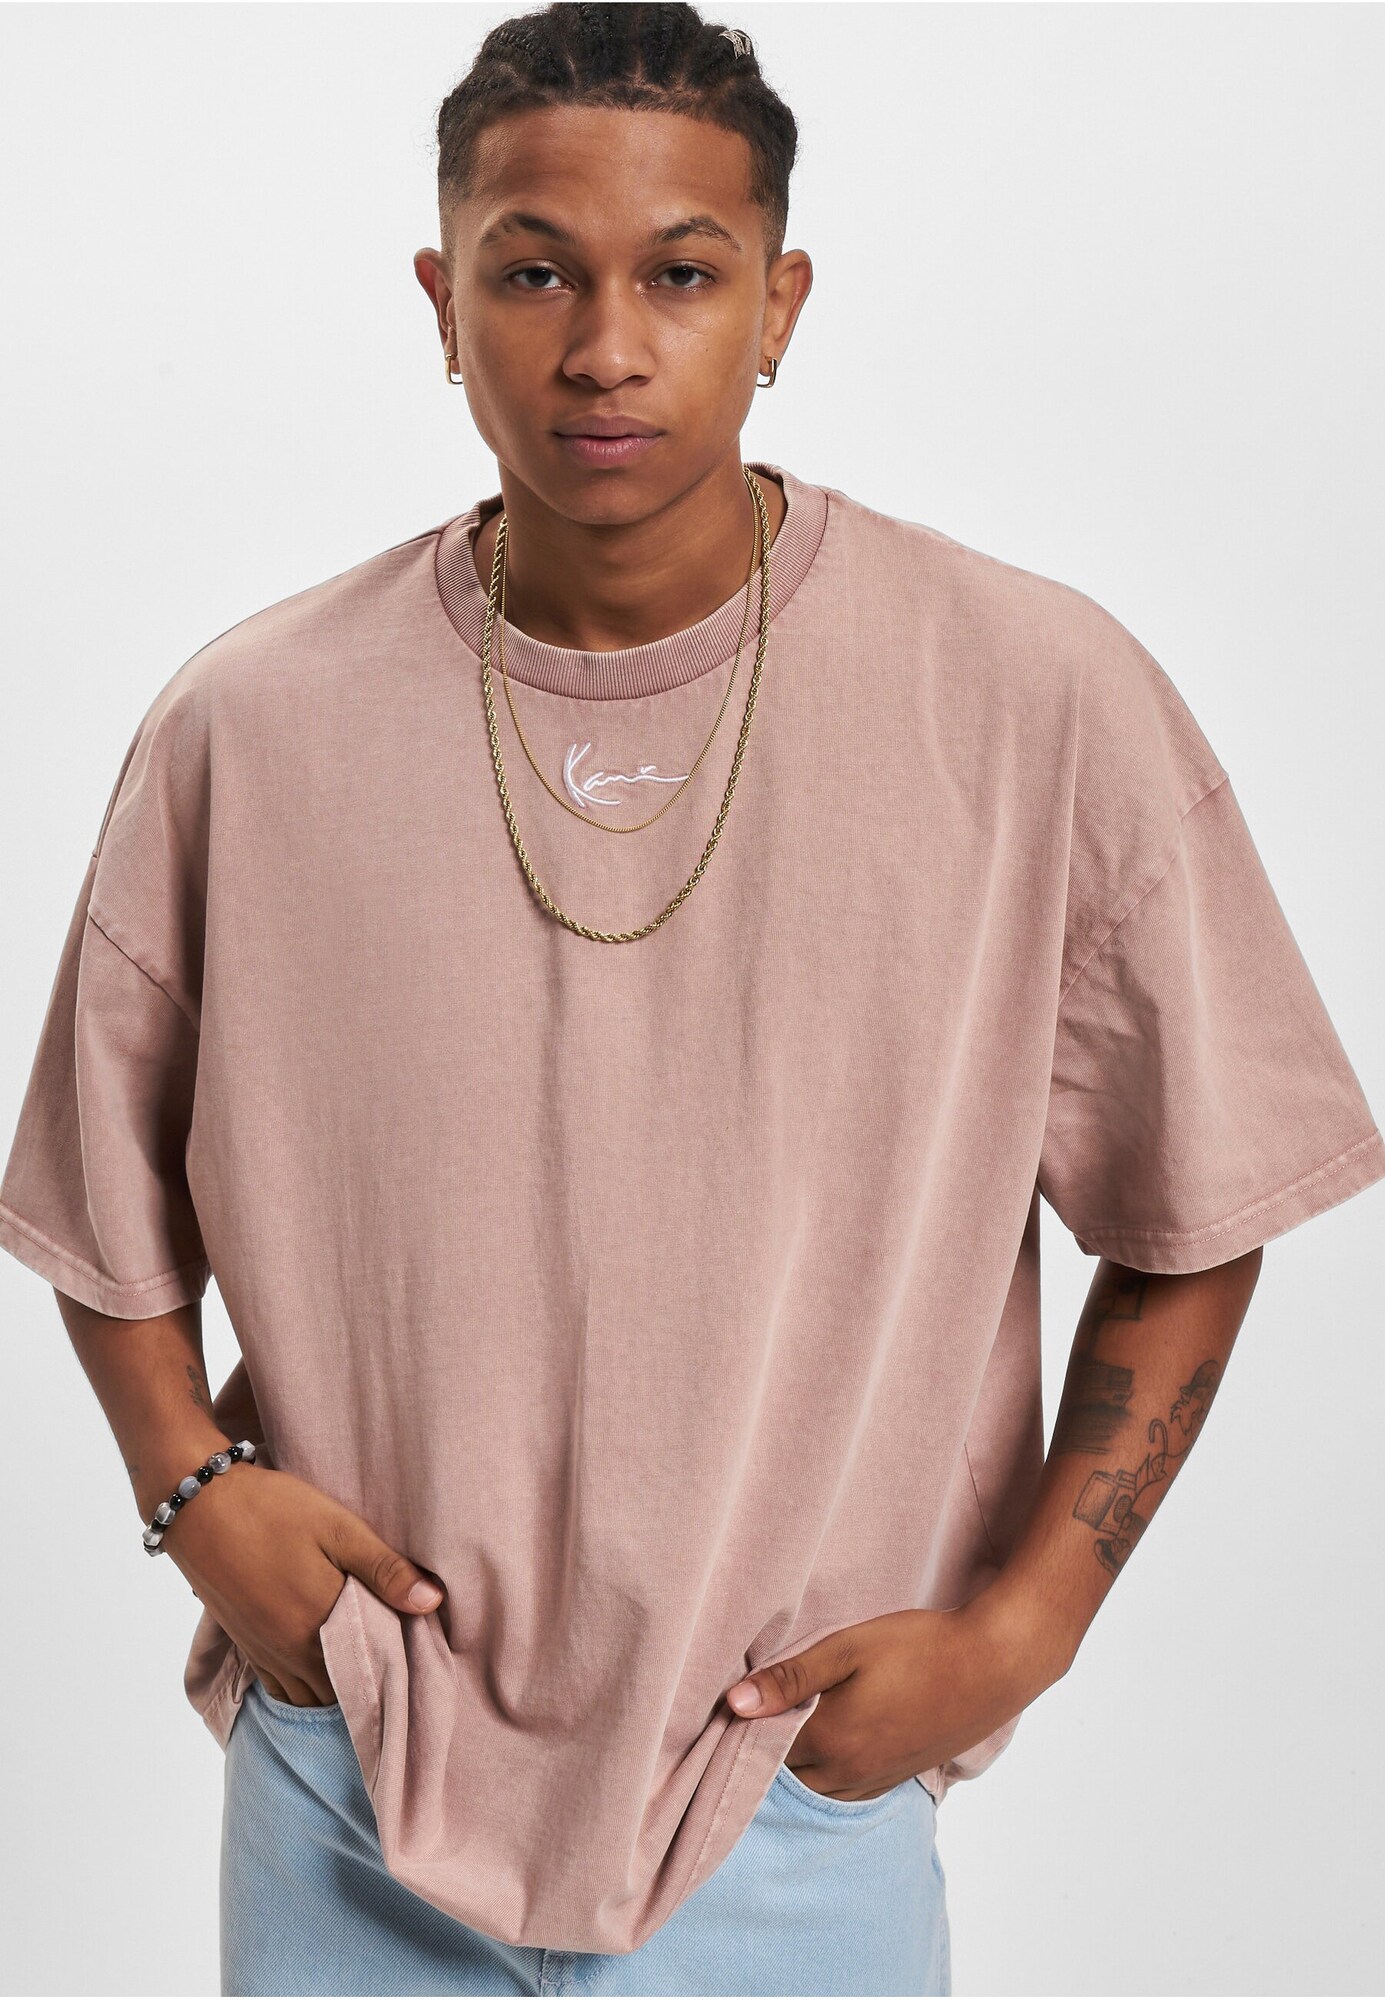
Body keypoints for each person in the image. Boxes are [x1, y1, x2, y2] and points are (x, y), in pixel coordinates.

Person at [1, 5, 1381, 1995]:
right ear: (440, 301)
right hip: (352, 1773)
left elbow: (1200, 1208)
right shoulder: (255, 725)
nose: (603, 348)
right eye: (532, 273)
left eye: (679, 274)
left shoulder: (1033, 700)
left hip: (788, 1795)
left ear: (778, 303)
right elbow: (97, 1201)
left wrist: (1023, 1632)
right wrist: (194, 1493)